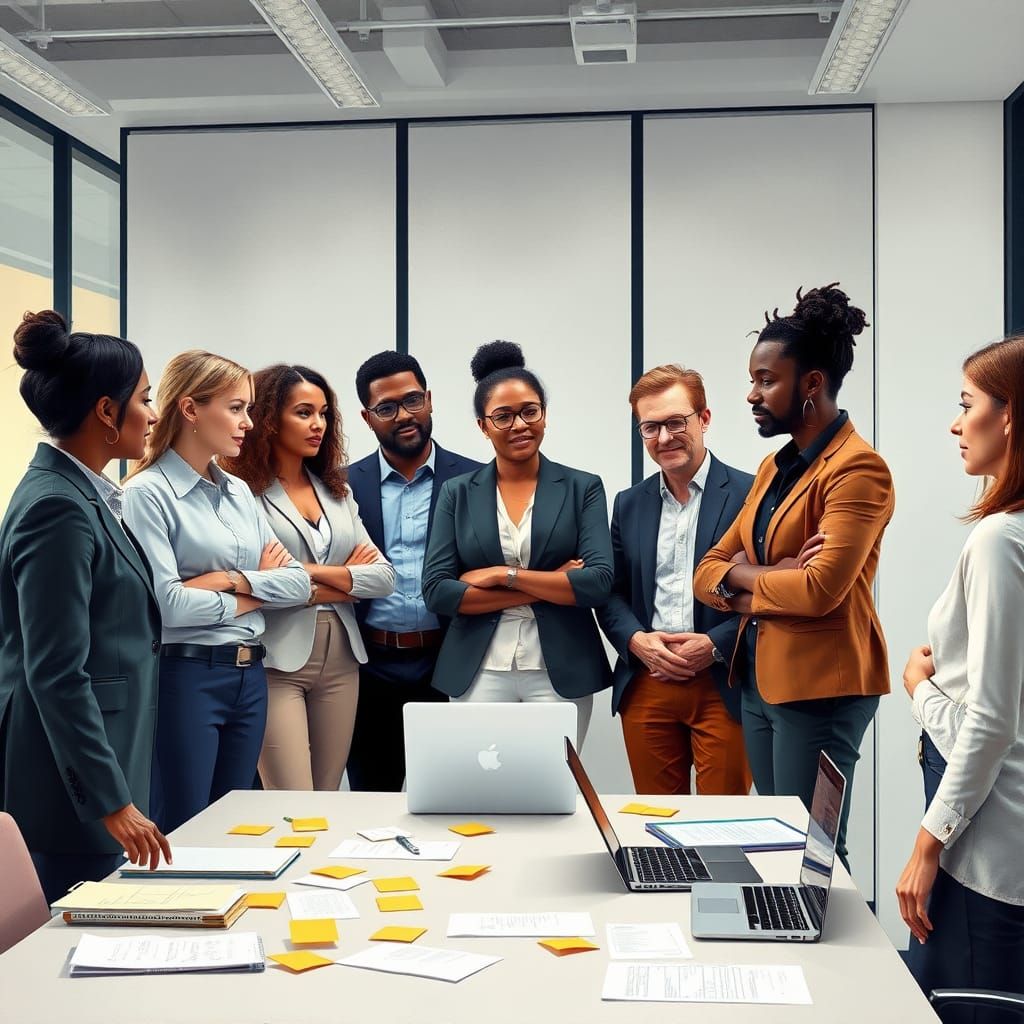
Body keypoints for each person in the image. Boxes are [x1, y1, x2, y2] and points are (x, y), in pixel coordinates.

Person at [693, 283, 893, 867]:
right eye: (754, 380)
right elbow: (707, 571)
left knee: (816, 849)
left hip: (822, 688)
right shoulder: (773, 465)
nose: (752, 394)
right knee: (777, 839)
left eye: (765, 380)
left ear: (811, 385)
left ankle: (843, 958)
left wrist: (745, 576)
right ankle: (792, 948)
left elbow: (820, 591)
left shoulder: (858, 469)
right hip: (759, 678)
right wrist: (765, 571)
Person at [0, 310, 170, 903]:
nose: (152, 415)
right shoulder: (58, 508)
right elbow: (54, 671)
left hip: (107, 761)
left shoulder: (84, 494)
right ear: (106, 410)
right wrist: (111, 801)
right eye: (145, 399)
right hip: (68, 787)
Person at [123, 351, 310, 833]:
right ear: (190, 410)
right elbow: (171, 606)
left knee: (236, 824)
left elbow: (297, 582)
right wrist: (257, 589)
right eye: (235, 408)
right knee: (185, 826)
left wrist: (231, 581)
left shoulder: (239, 492)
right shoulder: (147, 492)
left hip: (250, 678)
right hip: (186, 676)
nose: (248, 422)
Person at [897, 336, 1024, 1022]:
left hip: (983, 848)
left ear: (1009, 416)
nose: (955, 422)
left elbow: (996, 722)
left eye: (966, 404)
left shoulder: (1000, 540)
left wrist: (918, 687)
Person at [421, 341, 613, 746]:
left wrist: (499, 575)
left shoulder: (583, 488)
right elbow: (437, 590)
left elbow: (596, 582)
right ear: (483, 425)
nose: (519, 425)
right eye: (503, 416)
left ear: (544, 415)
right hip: (479, 669)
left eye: (530, 411)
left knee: (555, 791)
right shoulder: (458, 492)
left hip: (559, 668)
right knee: (479, 789)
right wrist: (546, 584)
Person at [221, 364, 395, 791]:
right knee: (292, 803)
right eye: (303, 412)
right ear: (268, 418)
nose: (317, 424)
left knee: (328, 798)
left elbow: (384, 577)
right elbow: (256, 583)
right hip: (276, 662)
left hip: (342, 661)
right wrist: (343, 579)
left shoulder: (337, 490)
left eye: (323, 413)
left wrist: (304, 573)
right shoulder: (241, 493)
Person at [596, 364, 753, 795]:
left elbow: (769, 592)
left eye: (675, 422)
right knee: (656, 824)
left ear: (704, 418)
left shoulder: (751, 495)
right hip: (649, 679)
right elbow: (611, 593)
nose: (663, 438)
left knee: (724, 826)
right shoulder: (628, 504)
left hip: (725, 680)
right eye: (650, 427)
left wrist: (716, 645)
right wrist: (634, 640)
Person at [345, 351, 481, 793]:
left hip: (450, 661)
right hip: (369, 667)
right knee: (371, 803)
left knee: (453, 802)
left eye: (412, 400)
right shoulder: (341, 485)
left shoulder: (478, 480)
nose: (404, 415)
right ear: (368, 418)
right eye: (386, 407)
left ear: (430, 400)